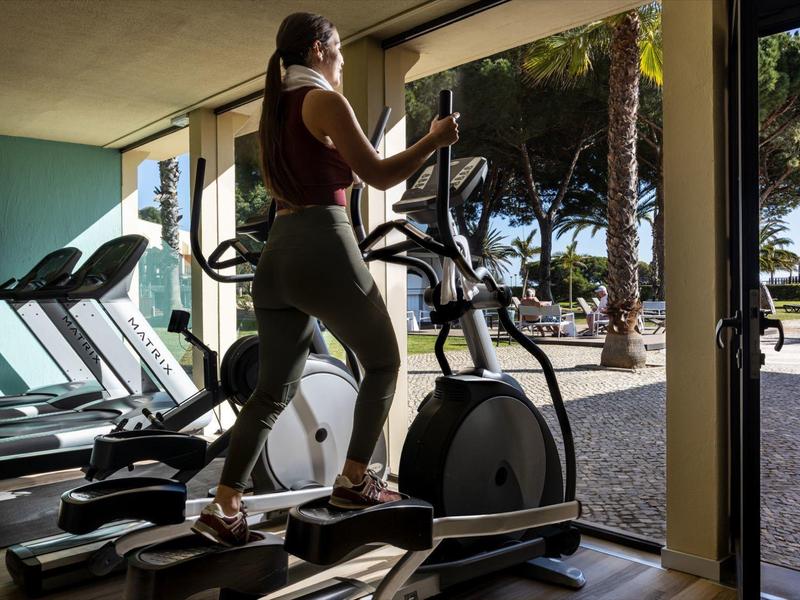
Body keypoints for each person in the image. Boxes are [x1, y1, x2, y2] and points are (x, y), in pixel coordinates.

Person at [191, 12, 459, 546]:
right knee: (383, 361)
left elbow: (318, 172)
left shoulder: (275, 111)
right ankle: (355, 480)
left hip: (277, 255)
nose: (340, 64)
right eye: (337, 52)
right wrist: (434, 140)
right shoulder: (325, 101)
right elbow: (380, 174)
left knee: (271, 392)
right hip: (323, 243)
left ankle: (224, 506)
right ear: (318, 49)